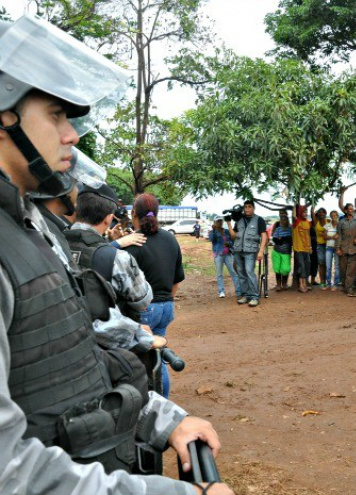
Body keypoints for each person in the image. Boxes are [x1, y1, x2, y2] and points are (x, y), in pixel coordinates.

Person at [0, 14, 230, 495]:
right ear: (5, 119)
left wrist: (162, 418)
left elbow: (77, 363)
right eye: (56, 115)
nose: (72, 136)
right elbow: (8, 468)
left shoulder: (30, 228)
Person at [65, 184, 158, 352]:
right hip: (109, 348)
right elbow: (142, 301)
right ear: (108, 218)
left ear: (76, 210)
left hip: (66, 341)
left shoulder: (52, 242)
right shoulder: (117, 258)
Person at [126, 194, 184, 399]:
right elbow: (178, 278)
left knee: (141, 360)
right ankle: (163, 402)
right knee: (159, 357)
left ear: (133, 213)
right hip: (166, 307)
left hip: (144, 311)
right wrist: (167, 299)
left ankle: (151, 405)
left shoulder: (133, 243)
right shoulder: (170, 238)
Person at [229, 199, 268, 306]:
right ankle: (246, 295)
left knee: (249, 272)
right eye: (245, 207)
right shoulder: (239, 220)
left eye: (249, 207)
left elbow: (264, 236)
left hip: (250, 251)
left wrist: (261, 251)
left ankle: (254, 296)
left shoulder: (259, 220)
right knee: (241, 273)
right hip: (238, 250)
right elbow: (233, 236)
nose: (247, 209)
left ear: (253, 208)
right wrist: (228, 223)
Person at [209, 217, 241, 298]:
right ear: (215, 222)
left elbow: (232, 241)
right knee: (219, 274)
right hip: (218, 254)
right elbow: (212, 240)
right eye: (217, 221)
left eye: (220, 221)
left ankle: (238, 291)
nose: (219, 222)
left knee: (233, 272)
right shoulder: (213, 232)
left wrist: (228, 244)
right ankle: (221, 291)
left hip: (228, 254)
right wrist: (213, 230)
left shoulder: (226, 231)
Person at [292, 204, 314, 293]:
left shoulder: (308, 222)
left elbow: (308, 235)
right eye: (304, 212)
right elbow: (293, 215)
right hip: (298, 249)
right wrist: (294, 205)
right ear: (300, 213)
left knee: (307, 265)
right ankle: (301, 285)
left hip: (306, 248)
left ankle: (305, 283)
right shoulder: (296, 221)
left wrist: (310, 246)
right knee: (301, 266)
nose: (305, 214)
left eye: (306, 212)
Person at [270, 209, 293, 292]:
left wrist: (282, 239)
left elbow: (291, 240)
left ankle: (284, 283)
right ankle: (279, 285)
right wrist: (283, 240)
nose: (283, 220)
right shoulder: (277, 227)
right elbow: (275, 239)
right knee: (277, 269)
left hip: (286, 251)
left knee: (285, 269)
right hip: (277, 250)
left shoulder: (290, 228)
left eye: (284, 217)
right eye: (281, 217)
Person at [323, 210, 341, 291]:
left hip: (337, 247)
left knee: (337, 266)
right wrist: (332, 237)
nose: (333, 217)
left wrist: (330, 236)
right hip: (329, 247)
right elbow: (324, 236)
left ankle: (335, 284)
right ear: (330, 216)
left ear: (337, 216)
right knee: (328, 266)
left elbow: (340, 236)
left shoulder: (340, 225)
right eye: (332, 215)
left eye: (335, 215)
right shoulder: (327, 225)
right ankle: (328, 284)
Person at [314, 208, 328, 288]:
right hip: (320, 245)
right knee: (321, 263)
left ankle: (327, 280)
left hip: (328, 245)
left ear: (325, 213)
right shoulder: (316, 222)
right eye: (320, 212)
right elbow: (312, 213)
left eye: (323, 212)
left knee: (327, 264)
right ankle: (322, 281)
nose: (321, 214)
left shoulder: (328, 221)